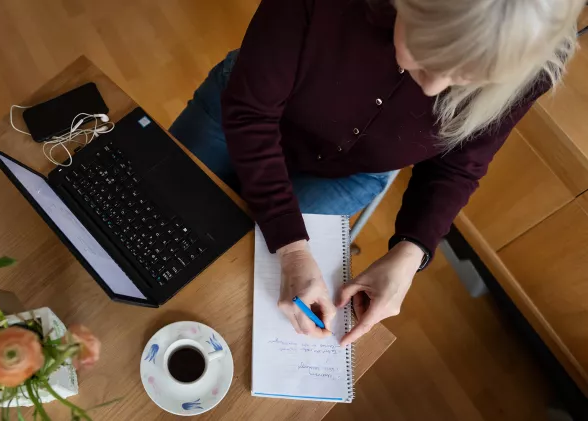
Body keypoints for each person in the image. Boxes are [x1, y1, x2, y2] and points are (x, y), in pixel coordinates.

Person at [169, 0, 583, 346]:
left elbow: (458, 164)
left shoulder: (532, 65)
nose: (434, 89)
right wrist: (293, 248)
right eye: (425, 56)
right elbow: (251, 112)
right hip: (240, 116)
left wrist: (410, 252)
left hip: (349, 172)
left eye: (464, 80)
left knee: (248, 294)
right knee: (164, 223)